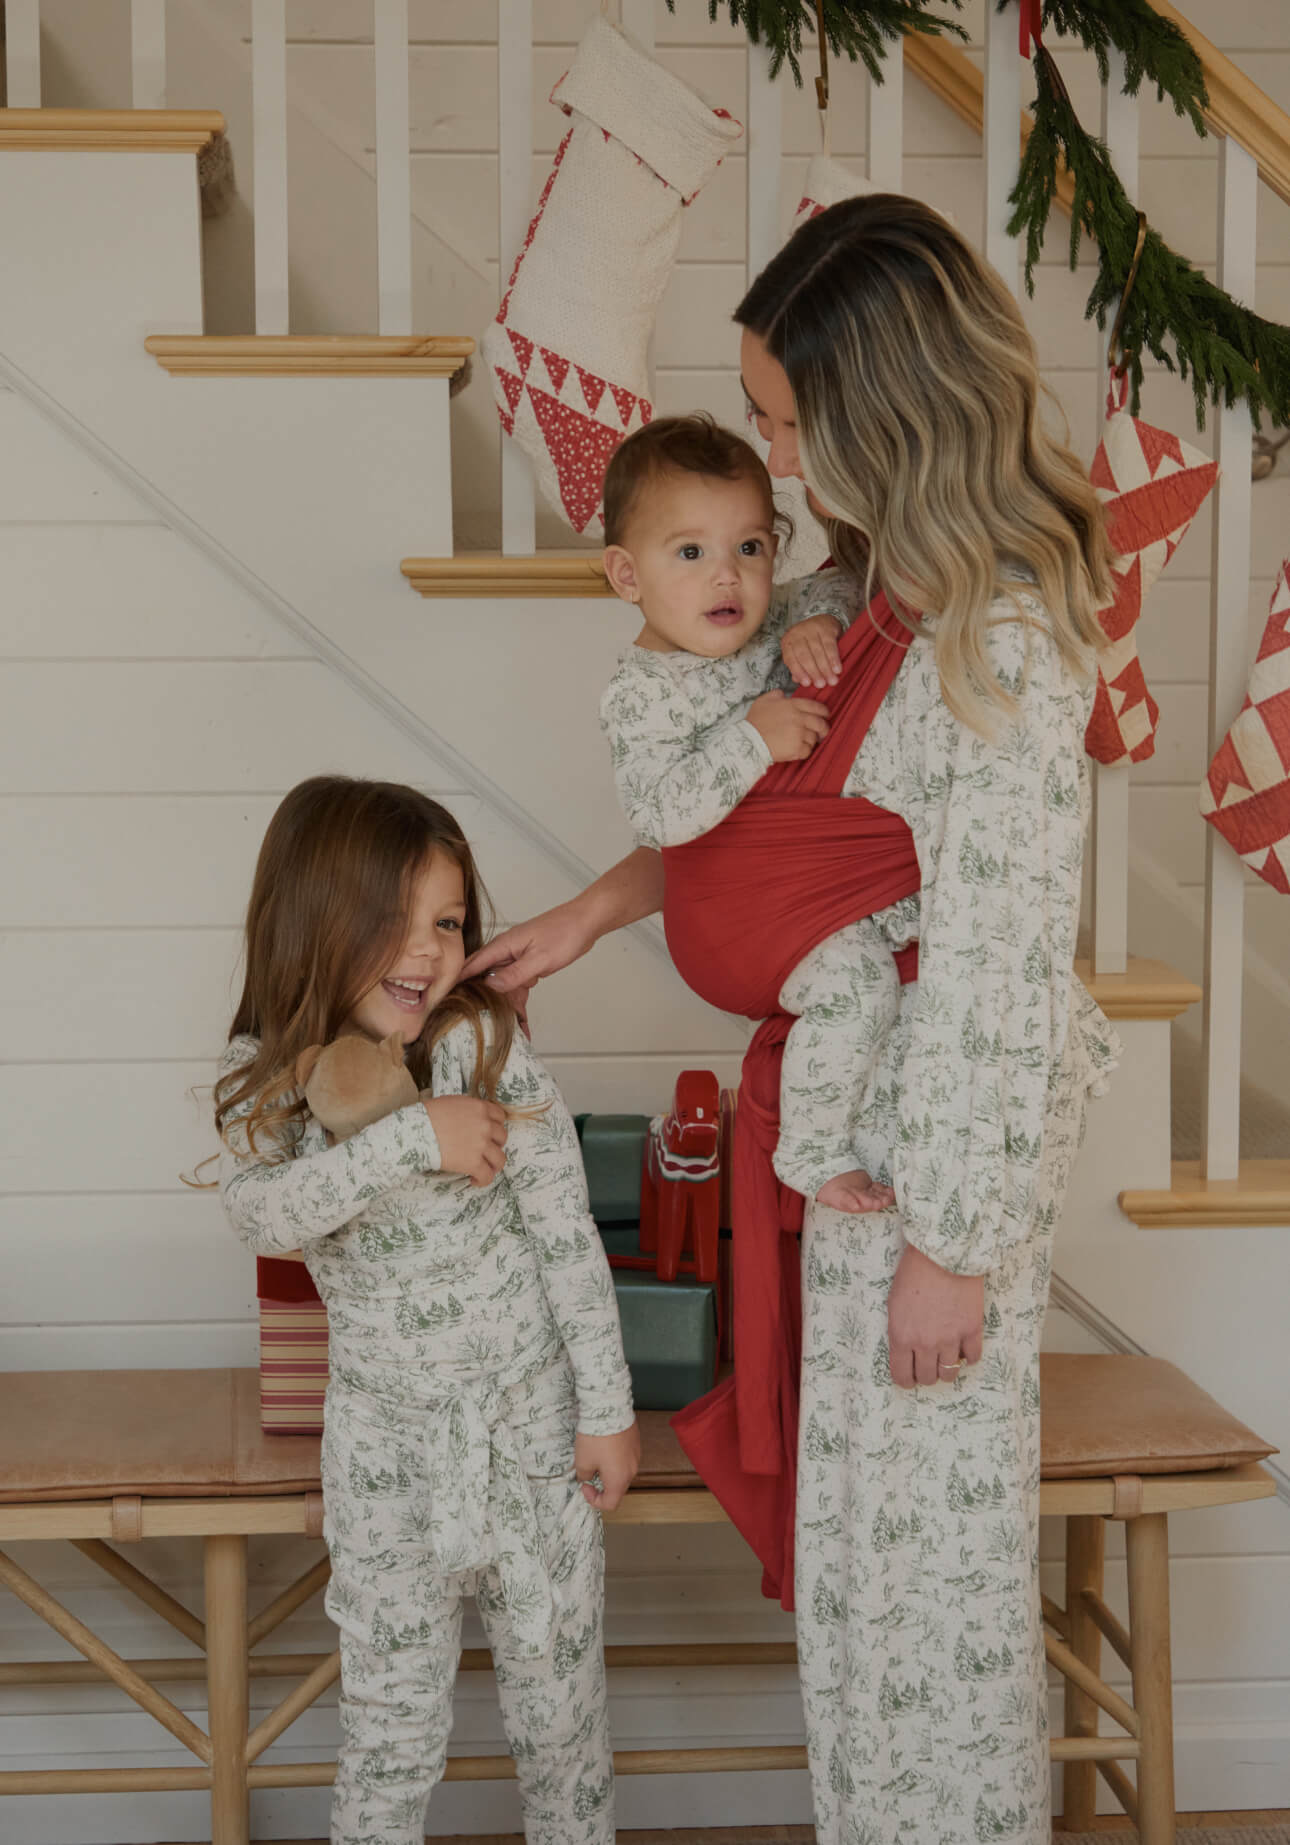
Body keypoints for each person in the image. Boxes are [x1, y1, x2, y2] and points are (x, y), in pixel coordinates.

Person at [466, 194, 1121, 1843]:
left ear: (875, 409)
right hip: (850, 1155)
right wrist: (592, 913)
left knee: (936, 1609)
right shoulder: (872, 585)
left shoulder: (1009, 633)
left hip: (923, 1175)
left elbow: (998, 956)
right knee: (861, 1594)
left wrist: (954, 1246)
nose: (767, 456)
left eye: (779, 417)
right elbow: (748, 819)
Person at [214, 776, 638, 1845]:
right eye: (393, 922)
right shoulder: (269, 1082)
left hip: (531, 1432)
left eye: (446, 923)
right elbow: (264, 1215)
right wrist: (415, 1139)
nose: (428, 952)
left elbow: (564, 1236)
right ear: (314, 922)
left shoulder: (480, 1049)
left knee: (562, 1721)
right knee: (392, 1735)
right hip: (385, 1453)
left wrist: (609, 1410)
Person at [598, 410, 916, 1213]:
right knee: (860, 984)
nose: (727, 577)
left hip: (801, 893)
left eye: (750, 547)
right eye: (691, 552)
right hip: (724, 932)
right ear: (627, 575)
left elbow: (847, 580)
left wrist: (819, 621)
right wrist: (750, 738)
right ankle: (809, 1148)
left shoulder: (773, 614)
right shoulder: (639, 694)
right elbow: (662, 815)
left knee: (893, 947)